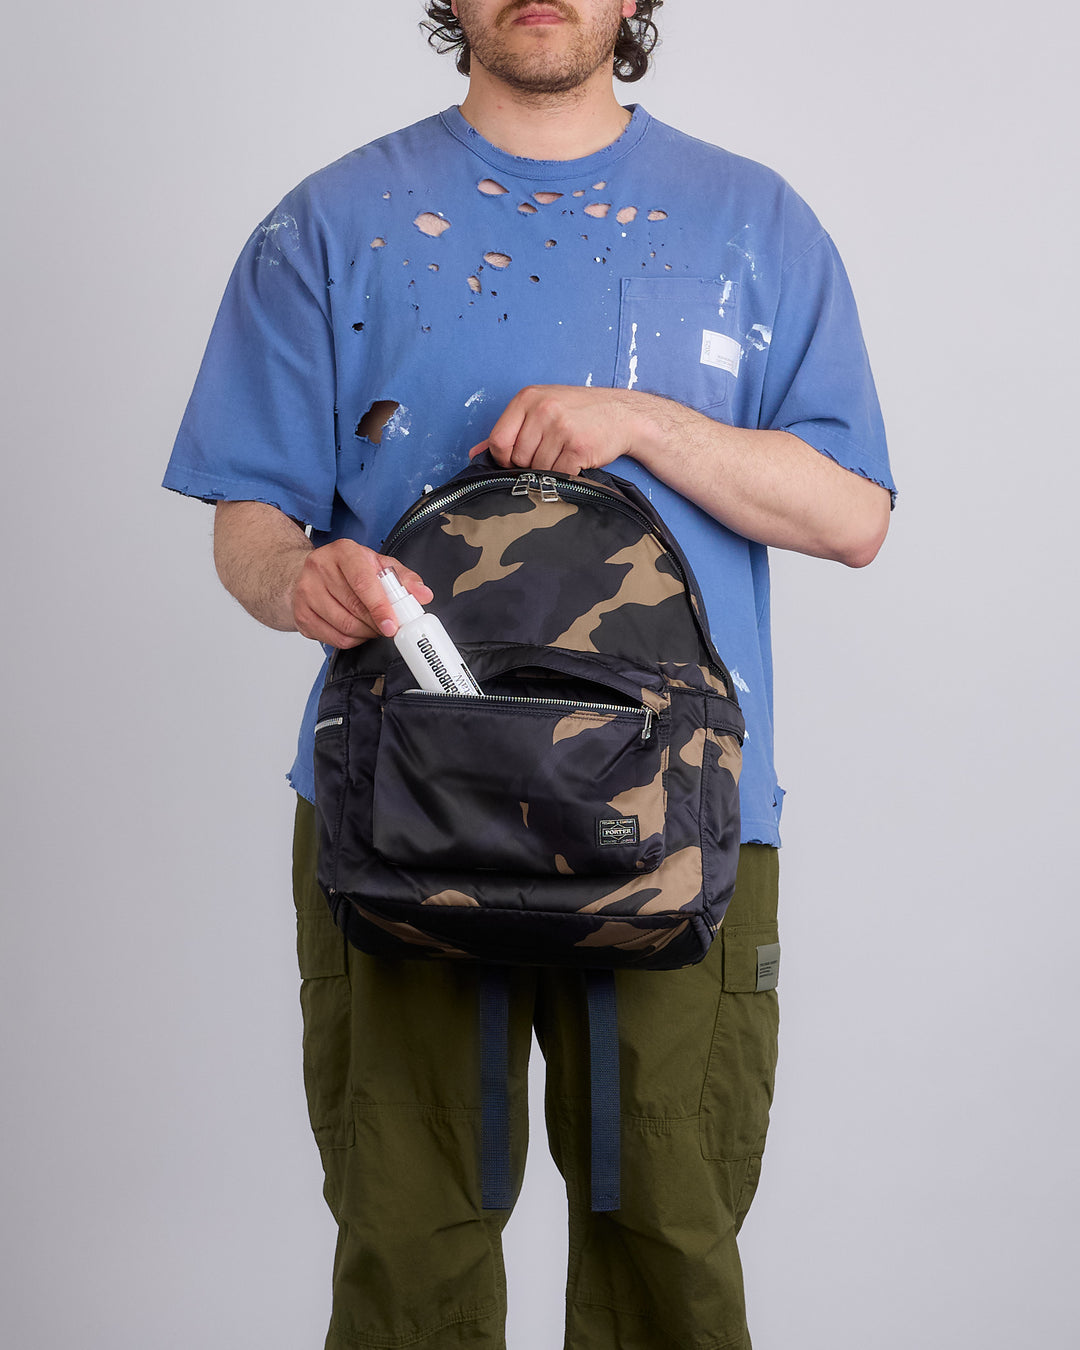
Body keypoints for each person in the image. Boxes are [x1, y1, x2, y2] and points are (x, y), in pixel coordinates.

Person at [164, 3, 895, 1346]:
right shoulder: (327, 225)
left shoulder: (756, 226)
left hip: (675, 824)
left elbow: (854, 513)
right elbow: (250, 518)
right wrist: (296, 579)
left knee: (671, 1260)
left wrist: (642, 421)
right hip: (401, 810)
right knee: (406, 1262)